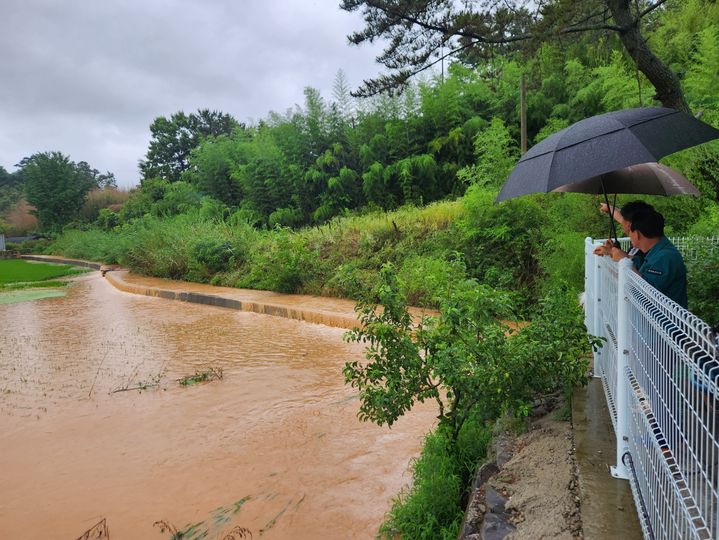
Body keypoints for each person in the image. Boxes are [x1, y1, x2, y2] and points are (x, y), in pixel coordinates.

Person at [607, 207, 688, 308]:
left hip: (662, 322)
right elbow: (635, 268)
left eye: (629, 232)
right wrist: (611, 253)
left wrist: (624, 260)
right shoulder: (655, 252)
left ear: (636, 234)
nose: (629, 235)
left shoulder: (666, 257)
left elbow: (646, 293)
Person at [593, 200, 655, 268]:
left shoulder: (659, 256)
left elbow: (642, 274)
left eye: (629, 232)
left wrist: (613, 252)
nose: (627, 234)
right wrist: (613, 251)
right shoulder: (638, 246)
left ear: (636, 232)